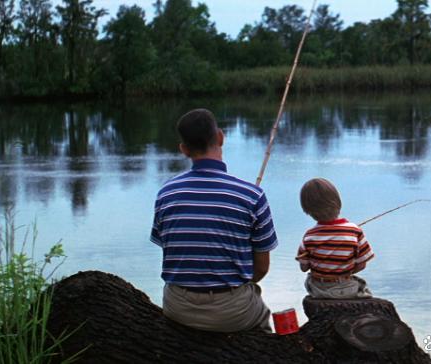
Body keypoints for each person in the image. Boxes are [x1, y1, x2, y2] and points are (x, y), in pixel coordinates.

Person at [150, 109, 278, 332]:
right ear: (220, 137)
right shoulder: (251, 196)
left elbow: (171, 250)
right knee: (263, 317)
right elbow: (261, 268)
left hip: (177, 308)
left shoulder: (165, 194)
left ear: (184, 150)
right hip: (232, 312)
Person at [296, 178, 374, 299]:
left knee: (309, 279)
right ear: (338, 202)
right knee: (362, 286)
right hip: (348, 288)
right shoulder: (354, 231)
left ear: (307, 210)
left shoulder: (309, 236)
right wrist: (344, 273)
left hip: (318, 290)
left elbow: (304, 268)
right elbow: (362, 265)